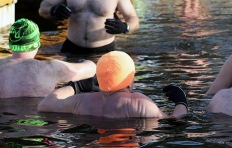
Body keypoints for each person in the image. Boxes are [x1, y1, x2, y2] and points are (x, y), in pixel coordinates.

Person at [37, 51, 188, 119]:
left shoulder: (82, 101)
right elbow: (175, 119)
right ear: (129, 81)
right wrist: (181, 101)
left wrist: (76, 86)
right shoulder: (139, 103)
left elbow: (44, 106)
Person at [0, 19, 97, 98]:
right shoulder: (50, 69)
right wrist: (82, 61)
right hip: (39, 119)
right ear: (37, 44)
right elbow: (91, 68)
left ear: (10, 44)